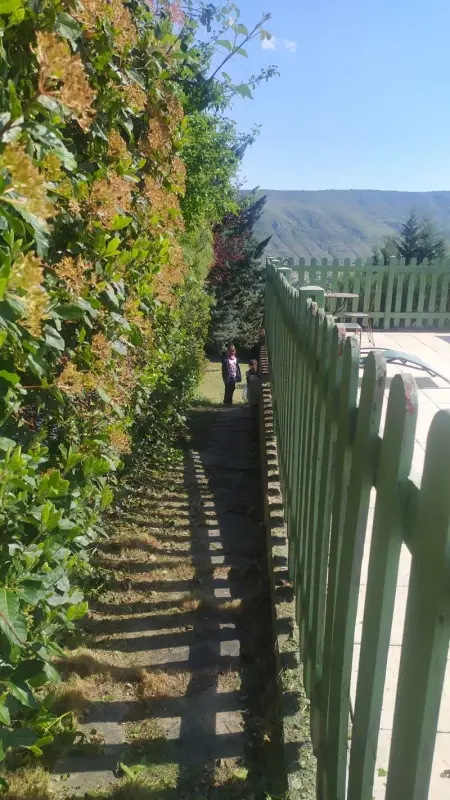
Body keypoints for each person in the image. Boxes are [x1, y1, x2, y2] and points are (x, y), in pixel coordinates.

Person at [246, 359, 261, 436]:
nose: (252, 368)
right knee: (253, 415)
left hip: (259, 396)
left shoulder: (260, 373)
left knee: (257, 415)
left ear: (256, 365)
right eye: (251, 366)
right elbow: (248, 383)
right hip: (252, 396)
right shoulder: (248, 373)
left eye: (254, 366)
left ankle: (256, 431)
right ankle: (254, 432)